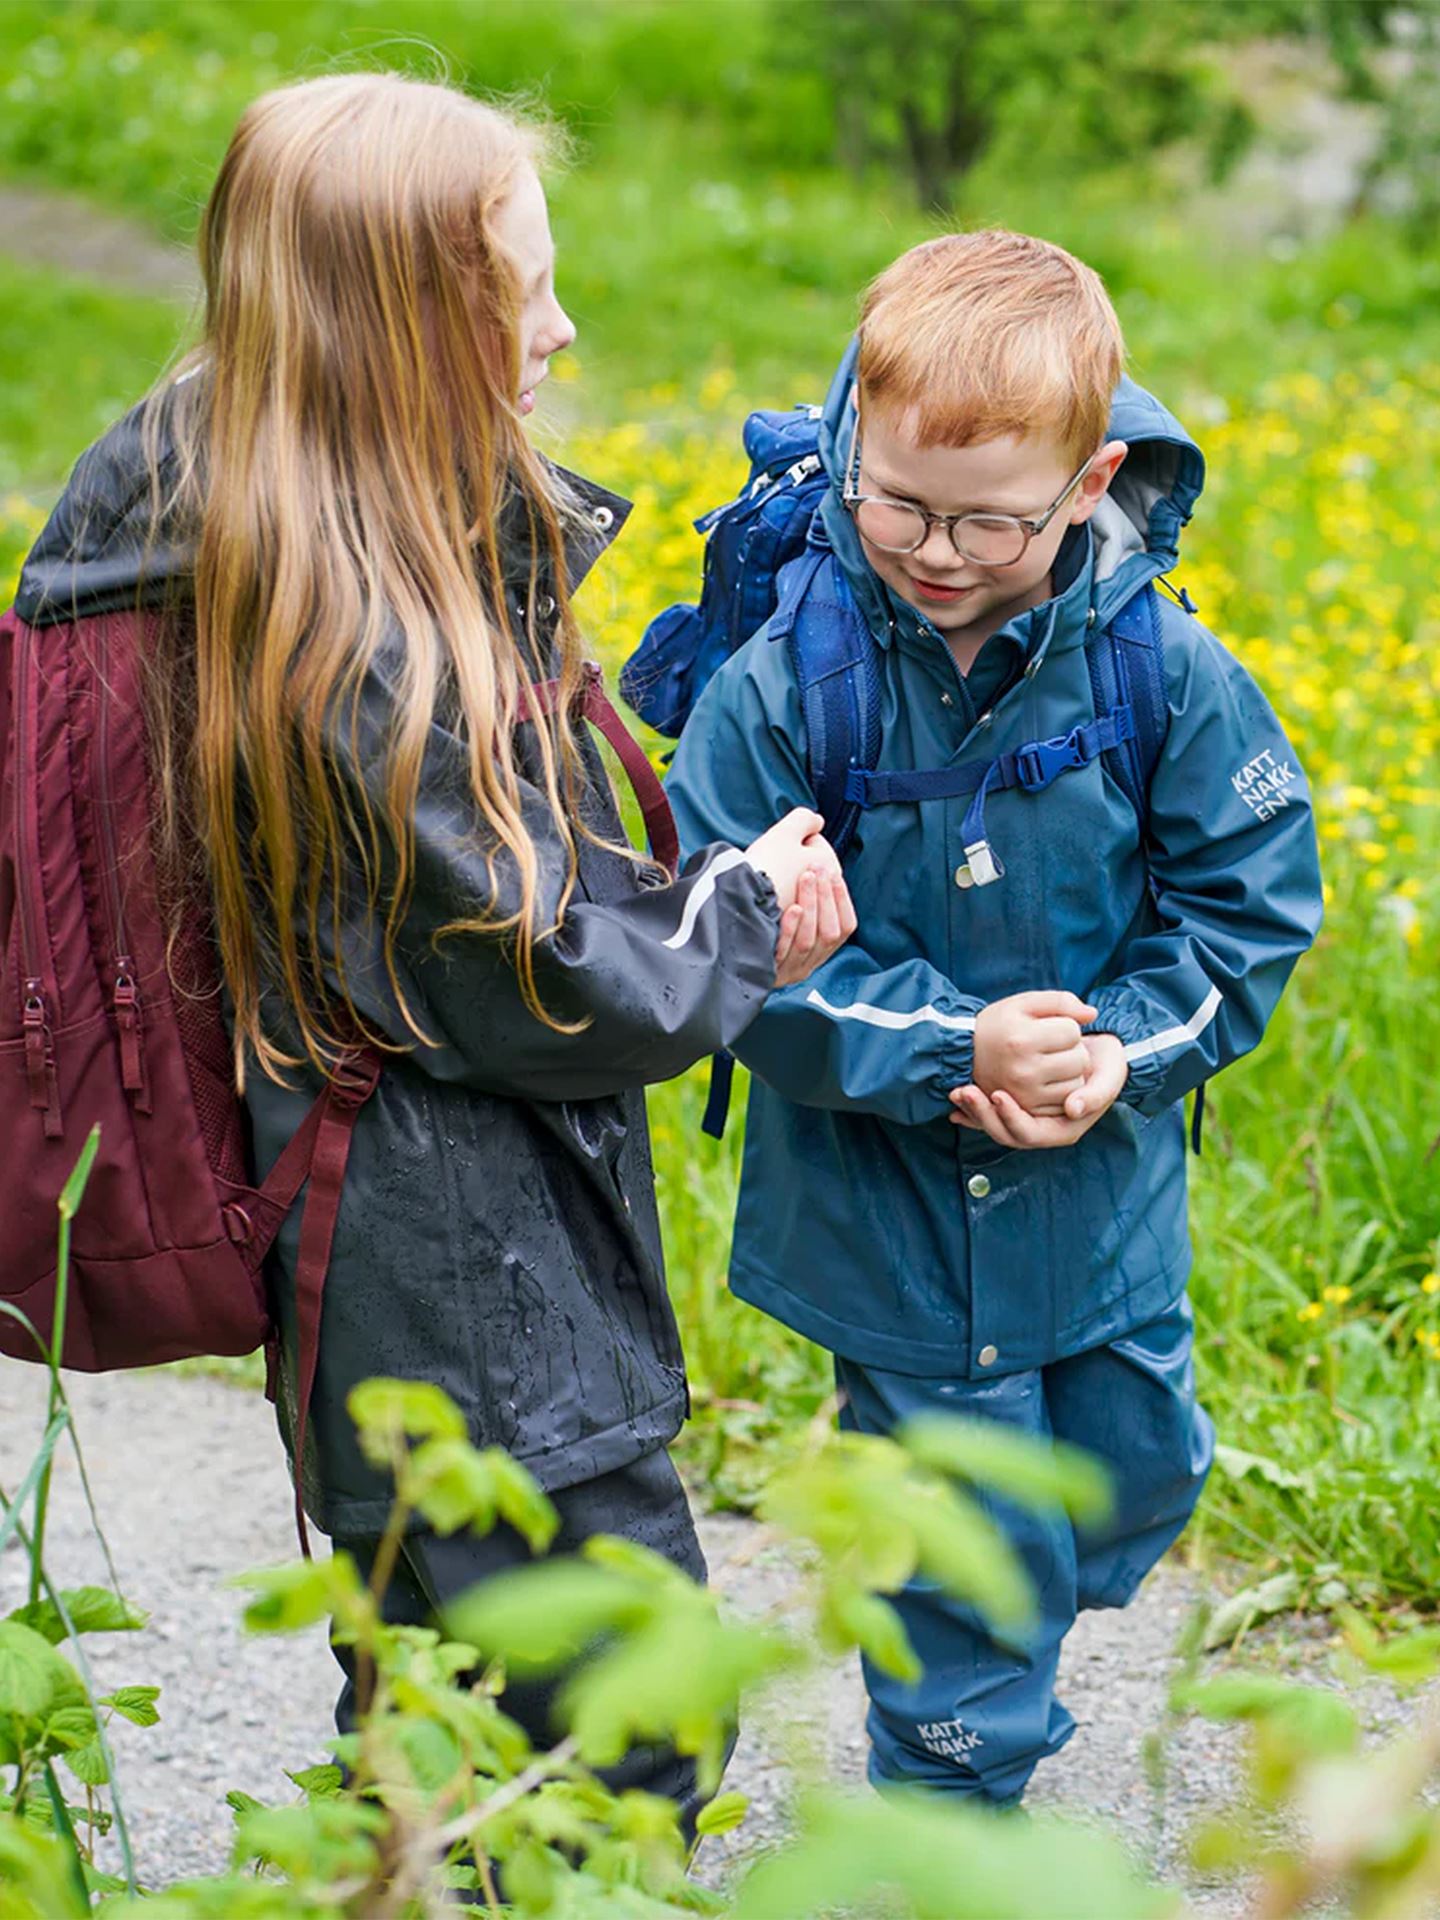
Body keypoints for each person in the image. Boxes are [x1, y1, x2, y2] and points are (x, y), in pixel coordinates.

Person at [12, 72, 855, 1820]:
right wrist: (747, 917)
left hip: (377, 1264)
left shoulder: (252, 517)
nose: (561, 329)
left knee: (436, 1721)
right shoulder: (349, 636)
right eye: (521, 291)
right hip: (466, 1281)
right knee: (614, 1739)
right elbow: (519, 970)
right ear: (404, 332)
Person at [665, 229, 1323, 1805]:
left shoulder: (1160, 671)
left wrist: (1119, 1051)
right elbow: (723, 948)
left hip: (1096, 1203)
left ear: (1091, 481)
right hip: (881, 1211)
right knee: (970, 1541)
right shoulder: (784, 686)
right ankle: (958, 1785)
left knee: (1134, 1474)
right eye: (895, 503)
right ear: (846, 455)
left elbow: (1249, 905)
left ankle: (1003, 1624)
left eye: (989, 521)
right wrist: (948, 1049)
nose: (936, 551)